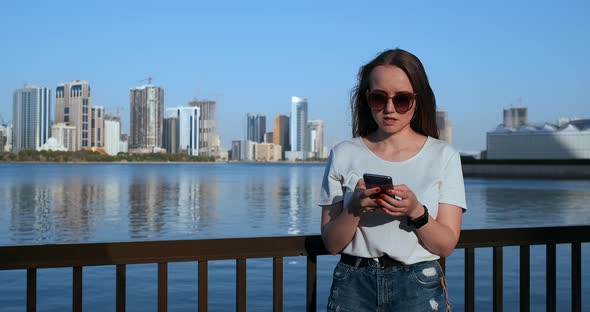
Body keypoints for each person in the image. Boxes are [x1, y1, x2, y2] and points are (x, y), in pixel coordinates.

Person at [319, 48, 466, 311]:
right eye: (379, 98)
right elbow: (331, 243)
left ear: (418, 100)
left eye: (401, 100)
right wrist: (356, 207)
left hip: (418, 284)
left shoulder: (444, 156)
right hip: (353, 283)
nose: (389, 109)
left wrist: (415, 211)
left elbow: (445, 246)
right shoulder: (343, 153)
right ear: (367, 99)